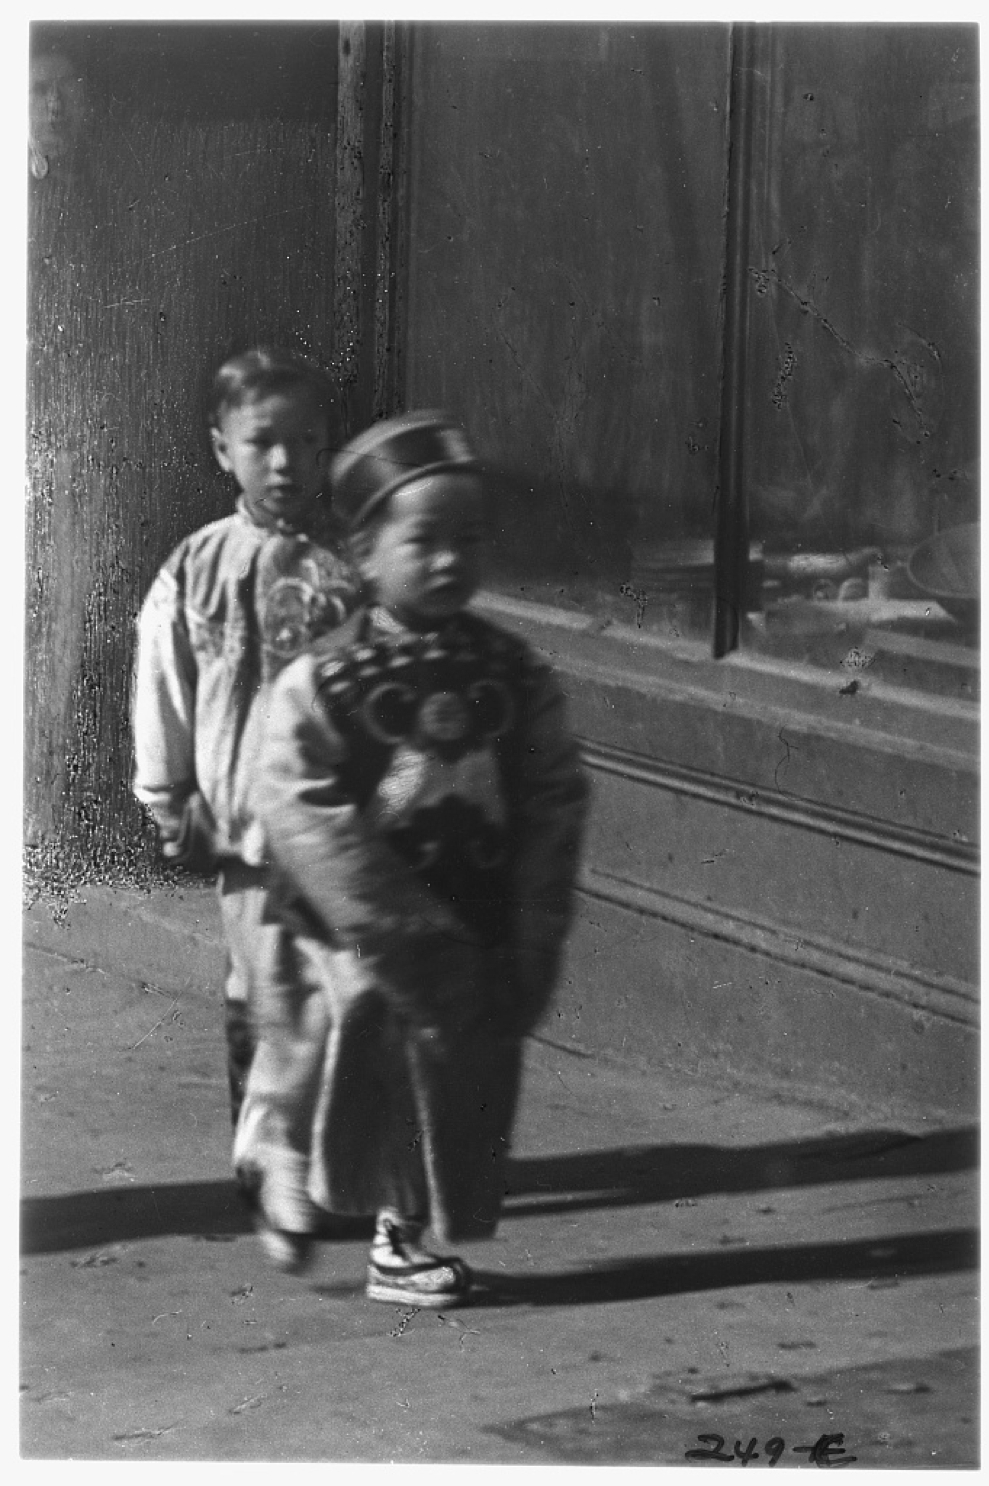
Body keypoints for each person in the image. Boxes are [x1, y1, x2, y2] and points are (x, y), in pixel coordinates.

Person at [234, 410, 589, 1305]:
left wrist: (534, 919)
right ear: (363, 553)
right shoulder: (325, 679)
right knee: (358, 1048)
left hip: (471, 911)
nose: (448, 560)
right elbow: (295, 798)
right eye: (423, 539)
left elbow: (552, 789)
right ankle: (335, 1193)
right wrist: (385, 918)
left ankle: (404, 1226)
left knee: (458, 1066)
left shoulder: (511, 671)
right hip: (355, 924)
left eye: (468, 539)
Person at [132, 346, 360, 1142]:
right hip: (249, 826)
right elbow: (164, 680)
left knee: (345, 982)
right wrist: (167, 798)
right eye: (263, 441)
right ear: (222, 447)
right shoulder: (200, 566)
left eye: (306, 441)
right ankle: (267, 1149)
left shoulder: (353, 565)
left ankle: (335, 1148)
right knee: (263, 981)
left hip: (345, 819)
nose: (286, 461)